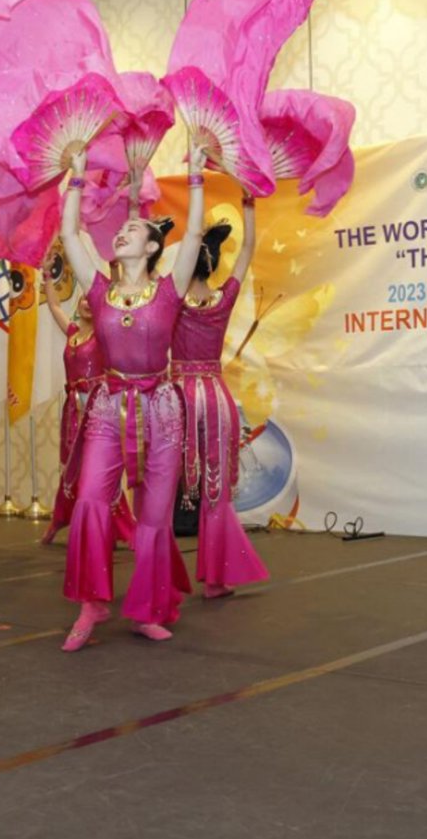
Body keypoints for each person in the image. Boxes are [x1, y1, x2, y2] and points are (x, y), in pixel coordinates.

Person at [56, 144, 205, 651]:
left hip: (161, 411)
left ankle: (147, 610)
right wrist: (76, 180)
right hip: (107, 407)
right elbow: (69, 235)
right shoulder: (98, 290)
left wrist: (198, 177)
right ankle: (92, 603)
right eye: (120, 230)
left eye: (133, 231)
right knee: (92, 503)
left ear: (152, 249)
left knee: (155, 518)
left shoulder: (170, 289)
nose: (122, 233)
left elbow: (194, 237)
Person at [173, 207, 268, 597]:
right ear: (211, 266)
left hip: (178, 395)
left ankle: (163, 578)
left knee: (165, 485)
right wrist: (249, 213)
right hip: (214, 396)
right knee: (216, 489)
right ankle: (217, 578)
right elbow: (247, 249)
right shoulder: (222, 300)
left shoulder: (171, 299)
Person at [40, 275, 137, 548]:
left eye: (91, 301)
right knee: (72, 467)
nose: (85, 303)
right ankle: (60, 519)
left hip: (98, 408)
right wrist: (47, 278)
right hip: (73, 408)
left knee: (100, 470)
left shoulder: (103, 336)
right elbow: (55, 306)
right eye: (82, 299)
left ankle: (117, 527)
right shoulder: (72, 333)